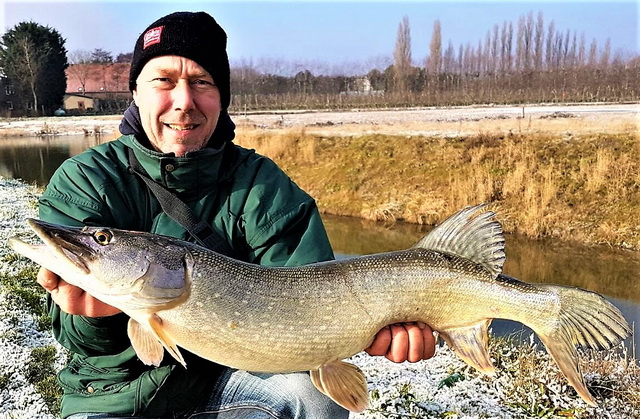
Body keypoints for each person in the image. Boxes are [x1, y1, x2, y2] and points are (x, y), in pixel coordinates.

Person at [36, 11, 436, 418]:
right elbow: (80, 344)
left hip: (235, 382)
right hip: (115, 398)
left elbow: (313, 313)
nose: (184, 101)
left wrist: (378, 327)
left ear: (221, 97)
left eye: (201, 82)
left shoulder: (263, 186)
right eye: (163, 81)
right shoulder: (86, 180)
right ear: (135, 93)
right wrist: (93, 319)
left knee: (311, 397)